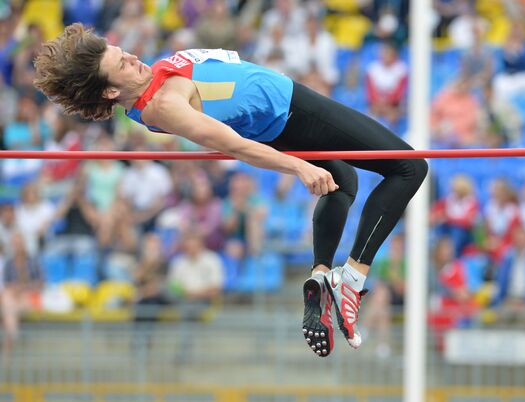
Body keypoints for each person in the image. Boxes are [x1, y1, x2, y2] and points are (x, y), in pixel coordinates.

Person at [33, 23, 428, 357]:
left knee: (343, 182)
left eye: (124, 52)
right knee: (409, 168)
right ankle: (353, 281)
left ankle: (322, 276)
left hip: (277, 114)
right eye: (122, 63)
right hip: (292, 111)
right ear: (109, 93)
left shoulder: (152, 84)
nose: (133, 58)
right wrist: (298, 167)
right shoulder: (163, 104)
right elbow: (233, 146)